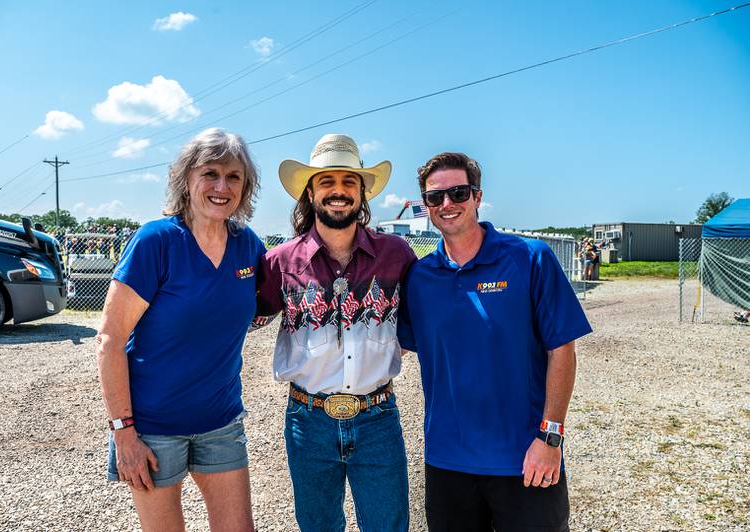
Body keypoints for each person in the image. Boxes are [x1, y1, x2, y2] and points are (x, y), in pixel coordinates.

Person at [398, 152, 592, 532]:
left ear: (477, 196)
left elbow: (562, 349)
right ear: (426, 206)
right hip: (447, 462)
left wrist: (550, 437)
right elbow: (390, 347)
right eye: (436, 198)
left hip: (526, 458)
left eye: (458, 193)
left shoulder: (529, 258)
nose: (448, 204)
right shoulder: (420, 278)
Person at [96, 128, 264, 532]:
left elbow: (269, 302)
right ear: (186, 179)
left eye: (234, 176)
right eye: (210, 173)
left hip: (221, 423)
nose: (222, 186)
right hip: (152, 430)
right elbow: (110, 340)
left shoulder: (248, 246)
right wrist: (124, 434)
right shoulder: (157, 241)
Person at [254, 134, 416, 531]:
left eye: (348, 182)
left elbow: (426, 323)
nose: (338, 191)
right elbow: (239, 317)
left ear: (362, 194)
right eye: (327, 182)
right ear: (310, 193)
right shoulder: (278, 262)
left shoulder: (397, 256)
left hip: (377, 417)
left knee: (388, 526)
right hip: (307, 420)